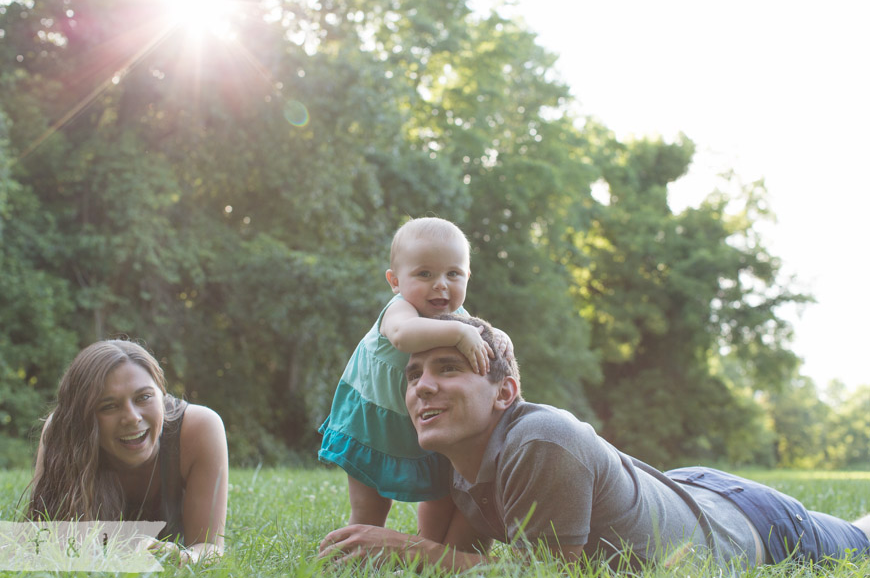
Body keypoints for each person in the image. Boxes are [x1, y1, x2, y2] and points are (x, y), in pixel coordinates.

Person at [320, 314, 870, 572]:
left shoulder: (540, 439)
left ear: (504, 393)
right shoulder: (459, 467)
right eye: (414, 375)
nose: (423, 386)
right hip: (684, 489)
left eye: (447, 368)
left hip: (751, 524)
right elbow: (468, 562)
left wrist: (408, 552)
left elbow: (550, 576)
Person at [318, 217, 509, 540]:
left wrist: (499, 337)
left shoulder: (460, 320)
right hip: (375, 420)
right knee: (369, 508)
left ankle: (429, 550)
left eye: (453, 273)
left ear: (467, 277)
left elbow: (480, 339)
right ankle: (355, 550)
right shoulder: (400, 309)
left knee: (442, 492)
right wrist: (459, 333)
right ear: (395, 280)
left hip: (428, 420)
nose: (441, 284)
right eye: (425, 274)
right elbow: (403, 336)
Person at [28, 339, 228, 566]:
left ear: (161, 393)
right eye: (109, 406)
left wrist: (184, 558)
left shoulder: (199, 428)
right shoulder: (62, 432)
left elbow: (209, 546)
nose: (133, 417)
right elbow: (43, 540)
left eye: (144, 397)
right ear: (82, 419)